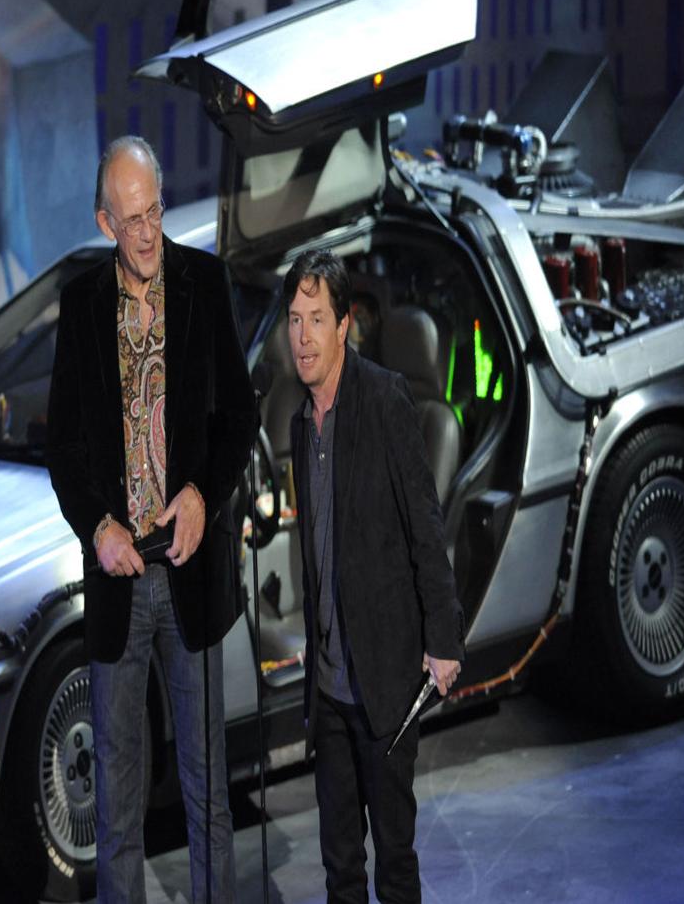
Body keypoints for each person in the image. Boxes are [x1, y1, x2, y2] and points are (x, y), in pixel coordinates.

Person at [46, 135, 256, 903]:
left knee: (206, 790)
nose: (146, 234)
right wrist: (96, 526)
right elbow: (62, 446)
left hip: (189, 573)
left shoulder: (204, 281)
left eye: (154, 212)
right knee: (117, 802)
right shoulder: (82, 305)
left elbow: (241, 417)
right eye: (130, 220)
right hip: (119, 580)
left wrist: (201, 491)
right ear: (105, 222)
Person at [285, 249, 465, 903]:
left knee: (393, 861)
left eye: (316, 319)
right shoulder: (299, 424)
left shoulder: (385, 398)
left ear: (344, 325)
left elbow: (424, 525)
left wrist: (442, 639)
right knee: (340, 869)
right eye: (294, 320)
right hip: (329, 688)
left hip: (385, 682)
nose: (303, 336)